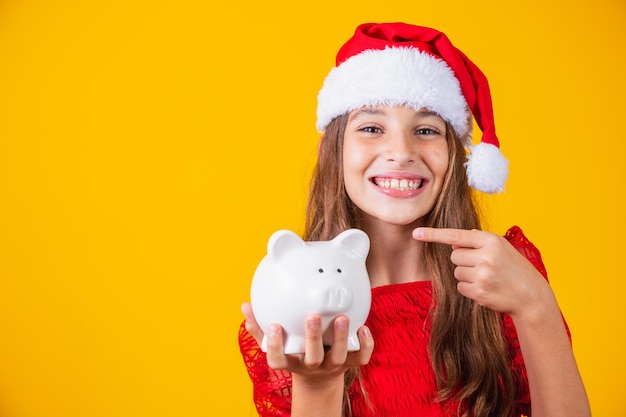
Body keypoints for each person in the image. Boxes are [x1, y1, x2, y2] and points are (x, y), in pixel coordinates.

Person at [238, 22, 591, 417]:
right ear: (330, 152)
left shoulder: (504, 275)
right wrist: (316, 383)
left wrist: (535, 305)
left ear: (456, 155)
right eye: (371, 128)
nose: (401, 152)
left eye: (425, 130)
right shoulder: (291, 299)